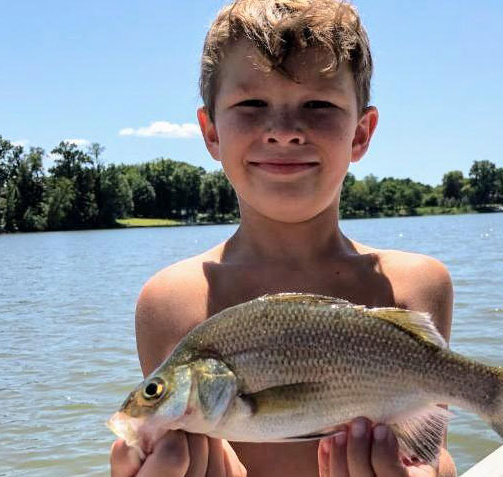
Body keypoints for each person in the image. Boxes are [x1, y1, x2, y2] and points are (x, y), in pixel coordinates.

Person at [110, 0, 457, 475]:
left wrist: (430, 472)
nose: (284, 131)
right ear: (211, 133)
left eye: (318, 105)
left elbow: (430, 451)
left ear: (361, 132)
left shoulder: (419, 285)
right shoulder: (170, 301)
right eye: (252, 104)